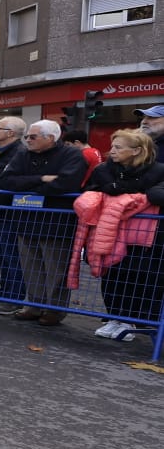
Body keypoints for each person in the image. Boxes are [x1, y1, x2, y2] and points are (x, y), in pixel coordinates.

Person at [0, 119, 87, 326]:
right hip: (26, 220)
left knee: (55, 269)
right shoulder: (24, 154)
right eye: (27, 137)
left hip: (56, 222)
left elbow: (64, 184)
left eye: (32, 137)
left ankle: (54, 309)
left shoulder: (72, 155)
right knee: (31, 266)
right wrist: (42, 180)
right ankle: (34, 305)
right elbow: (7, 181)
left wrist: (29, 186)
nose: (28, 140)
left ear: (50, 138)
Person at [78, 130, 164, 341]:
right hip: (109, 231)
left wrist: (119, 190)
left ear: (136, 151)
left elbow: (157, 195)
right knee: (111, 274)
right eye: (113, 146)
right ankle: (115, 317)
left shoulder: (158, 170)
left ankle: (134, 321)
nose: (112, 151)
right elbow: (93, 191)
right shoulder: (103, 169)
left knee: (139, 276)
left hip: (145, 236)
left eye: (118, 147)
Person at [0, 116, 29, 314]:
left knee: (11, 256)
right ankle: (5, 292)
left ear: (10, 133)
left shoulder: (19, 153)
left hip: (6, 213)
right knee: (2, 255)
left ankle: (13, 298)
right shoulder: (1, 152)